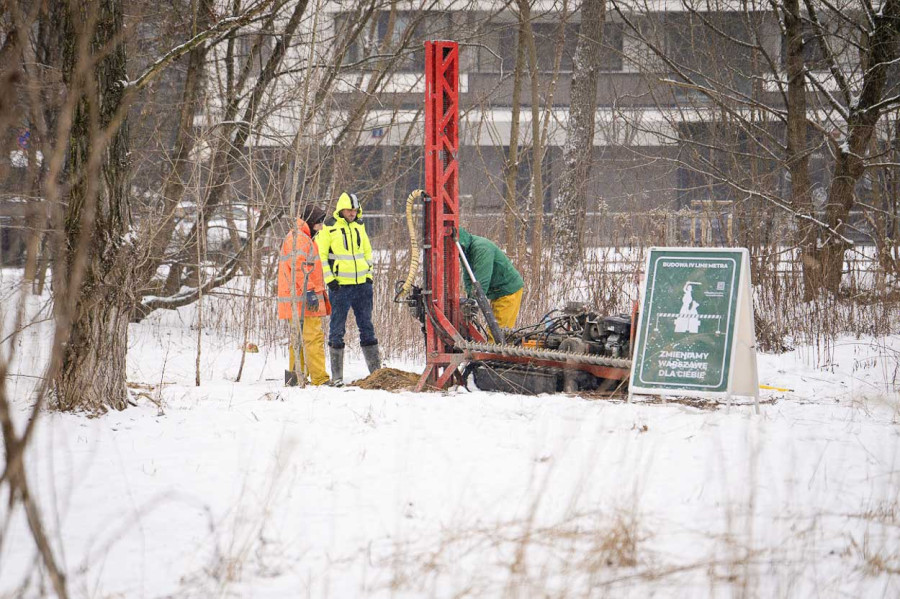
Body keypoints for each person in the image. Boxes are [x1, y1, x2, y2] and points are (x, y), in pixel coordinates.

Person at [316, 191, 380, 386]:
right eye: (349, 210)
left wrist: (368, 276)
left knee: (367, 327)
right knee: (337, 329)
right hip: (340, 288)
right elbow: (322, 256)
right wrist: (330, 280)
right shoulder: (330, 228)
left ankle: (377, 374)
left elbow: (367, 252)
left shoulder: (360, 227)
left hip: (362, 286)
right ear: (341, 210)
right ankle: (337, 377)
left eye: (354, 210)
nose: (352, 213)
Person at [277, 205, 330, 386]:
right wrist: (310, 291)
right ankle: (319, 379)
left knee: (297, 339)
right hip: (304, 299)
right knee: (313, 338)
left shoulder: (300, 237)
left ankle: (295, 377)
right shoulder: (300, 239)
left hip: (297, 299)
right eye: (319, 223)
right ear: (311, 221)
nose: (321, 227)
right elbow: (299, 269)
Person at [457, 227, 524, 331]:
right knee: (494, 331)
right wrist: (469, 298)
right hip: (497, 292)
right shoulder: (466, 251)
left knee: (499, 333)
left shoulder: (482, 249)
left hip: (507, 291)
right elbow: (468, 277)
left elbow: (481, 281)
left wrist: (473, 301)